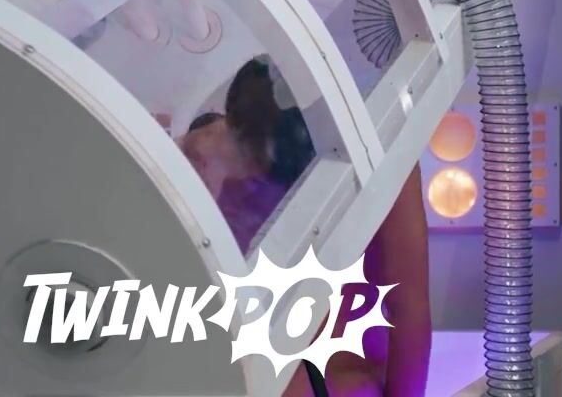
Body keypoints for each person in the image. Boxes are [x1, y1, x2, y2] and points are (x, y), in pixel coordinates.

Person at [180, 58, 431, 397]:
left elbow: (409, 309)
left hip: (333, 363)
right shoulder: (190, 160)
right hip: (236, 353)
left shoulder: (377, 146)